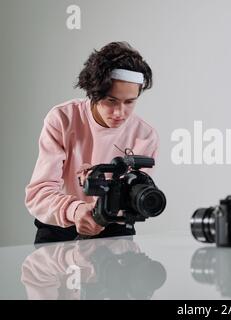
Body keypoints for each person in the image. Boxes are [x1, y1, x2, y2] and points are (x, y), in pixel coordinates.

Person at [25, 41, 159, 244]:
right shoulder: (62, 119)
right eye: (111, 101)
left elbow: (134, 196)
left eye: (129, 102)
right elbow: (38, 194)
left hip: (113, 228)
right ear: (93, 92)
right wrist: (76, 209)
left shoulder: (145, 135)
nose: (119, 113)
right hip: (60, 226)